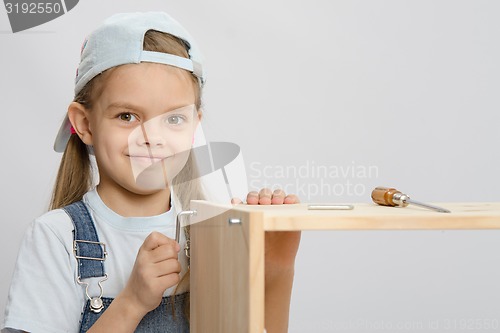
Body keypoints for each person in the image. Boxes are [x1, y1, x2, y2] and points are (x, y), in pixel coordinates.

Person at [1, 11, 300, 333]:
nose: (151, 137)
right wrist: (132, 303)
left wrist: (277, 267)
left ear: (194, 127)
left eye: (173, 119)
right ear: (85, 124)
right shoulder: (56, 236)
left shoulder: (214, 231)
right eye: (127, 116)